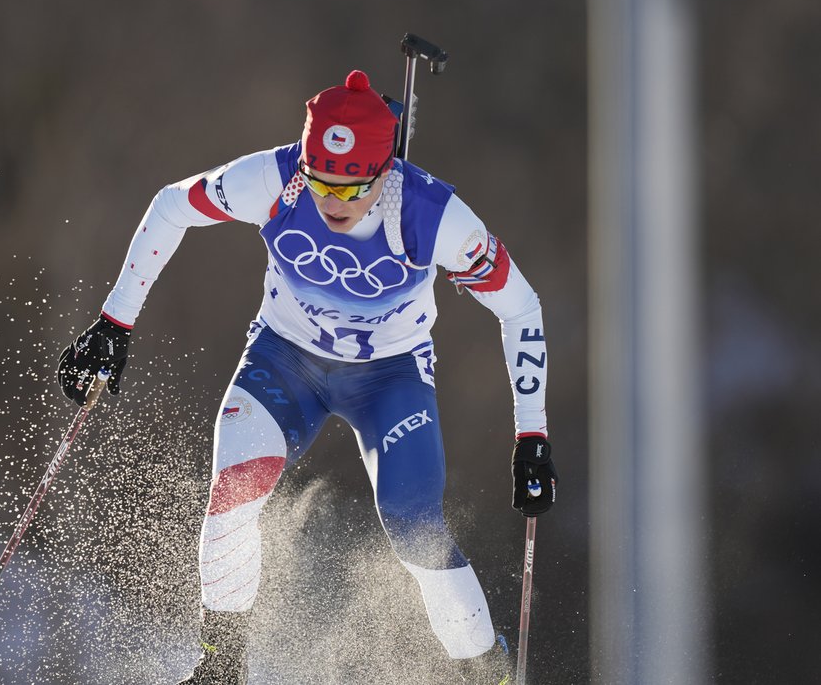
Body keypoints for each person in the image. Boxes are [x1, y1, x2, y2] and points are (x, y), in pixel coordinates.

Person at [57, 70, 557, 684]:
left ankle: (488, 672)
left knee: (413, 526)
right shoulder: (276, 180)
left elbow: (520, 305)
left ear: (383, 173)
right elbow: (171, 207)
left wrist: (530, 437)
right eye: (322, 183)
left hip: (388, 380)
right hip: (285, 360)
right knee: (233, 490)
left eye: (351, 191)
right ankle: (220, 667)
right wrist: (114, 324)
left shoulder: (432, 215)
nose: (331, 203)